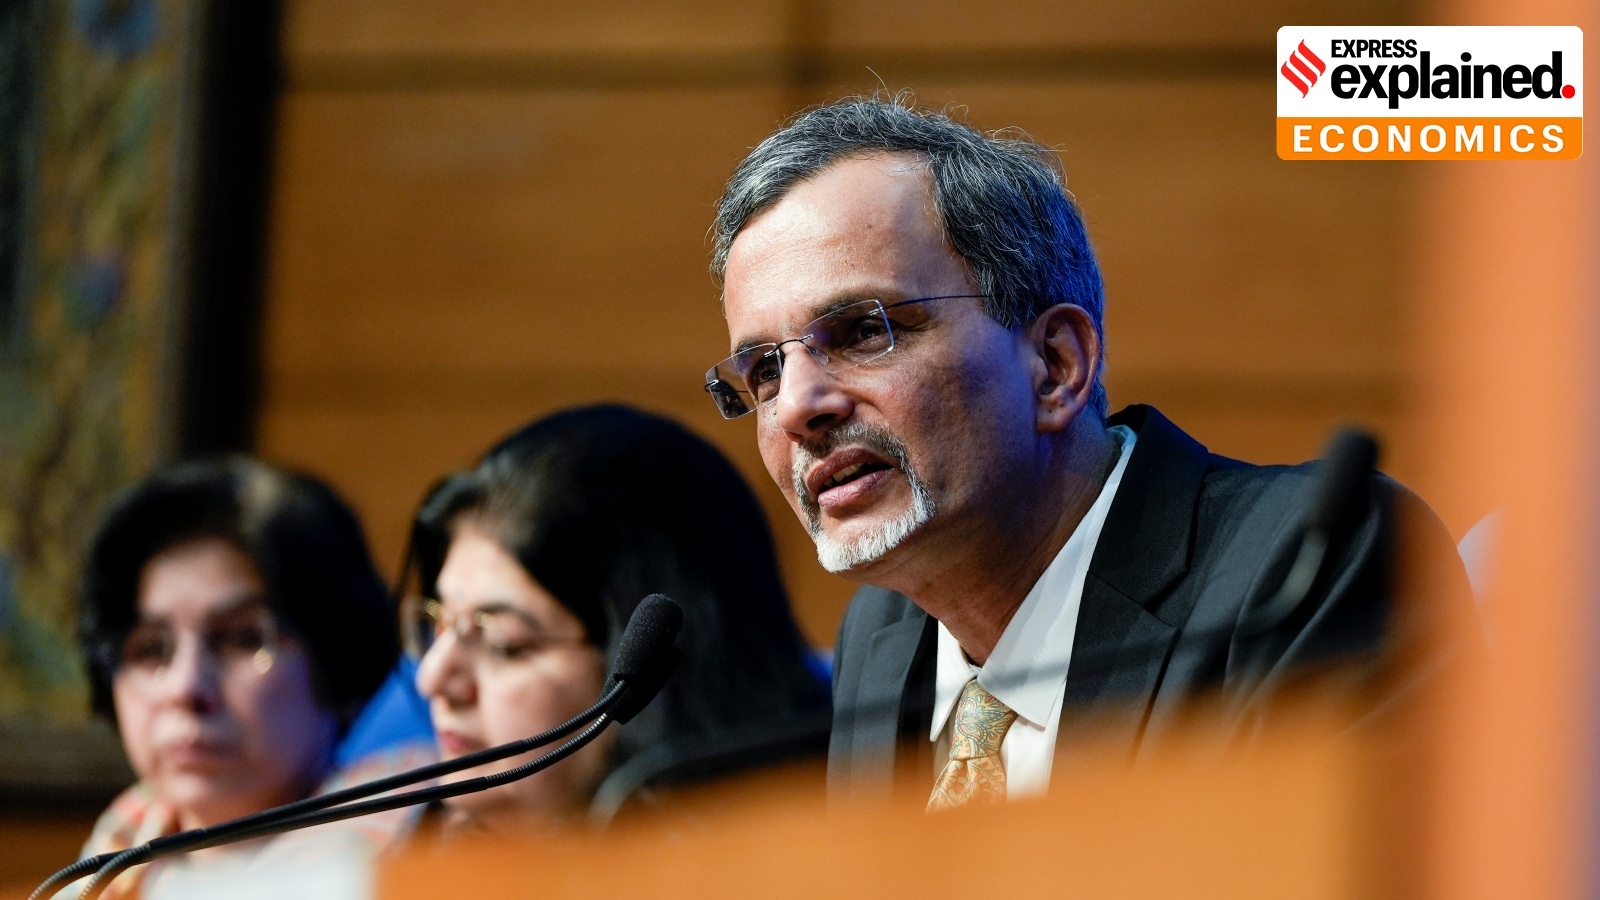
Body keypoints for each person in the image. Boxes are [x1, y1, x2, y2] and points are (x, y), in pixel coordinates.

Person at [703, 95, 1470, 809]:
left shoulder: (1308, 569)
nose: (797, 407)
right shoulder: (884, 635)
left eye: (865, 331)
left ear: (1055, 365)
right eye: (764, 369)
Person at [403, 404, 829, 834]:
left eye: (504, 645)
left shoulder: (801, 845)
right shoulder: (422, 844)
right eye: (439, 624)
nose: (432, 678)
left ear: (654, 671)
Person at [75, 458, 433, 898]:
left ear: (338, 653)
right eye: (150, 650)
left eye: (243, 639)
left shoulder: (428, 843)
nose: (185, 687)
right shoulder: (119, 845)